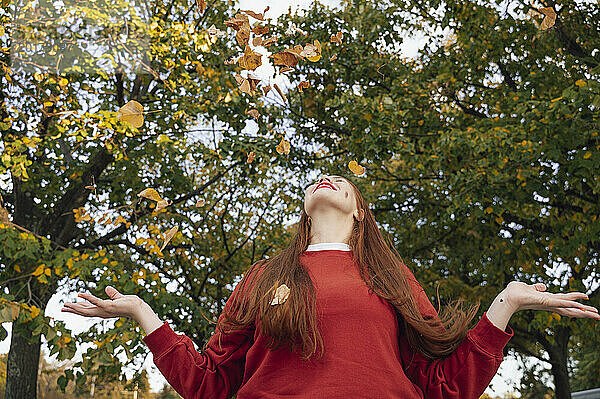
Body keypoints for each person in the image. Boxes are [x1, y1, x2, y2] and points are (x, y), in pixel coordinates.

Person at [61, 174, 600, 399]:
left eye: (343, 180)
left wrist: (507, 303)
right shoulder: (264, 277)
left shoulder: (389, 279)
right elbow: (211, 386)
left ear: (360, 210)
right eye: (318, 178)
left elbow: (442, 385)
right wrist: (144, 315)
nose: (327, 177)